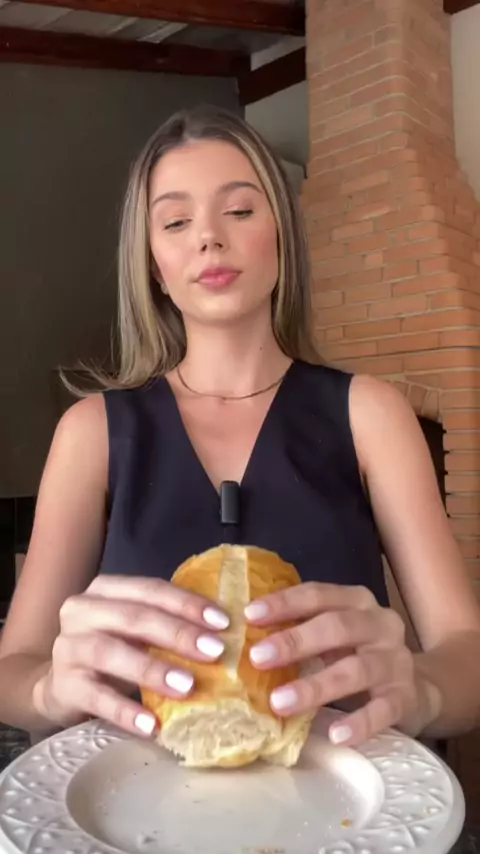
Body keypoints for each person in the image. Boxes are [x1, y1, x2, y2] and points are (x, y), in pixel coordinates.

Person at [1, 105, 479, 752]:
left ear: (282, 235)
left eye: (240, 210)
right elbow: (14, 668)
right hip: (136, 801)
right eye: (176, 221)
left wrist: (422, 691)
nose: (209, 238)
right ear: (153, 264)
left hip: (341, 799)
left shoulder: (372, 415)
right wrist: (46, 690)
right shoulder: (90, 432)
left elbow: (465, 652)